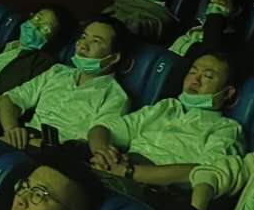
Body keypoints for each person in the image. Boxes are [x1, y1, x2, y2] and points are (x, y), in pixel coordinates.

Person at [87, 51, 245, 189]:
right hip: (118, 168)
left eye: (208, 76)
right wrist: (103, 154)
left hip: (155, 188)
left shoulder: (226, 129)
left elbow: (205, 173)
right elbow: (101, 129)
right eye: (192, 72)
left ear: (228, 93)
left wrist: (129, 172)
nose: (195, 80)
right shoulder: (166, 107)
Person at [0, 16, 131, 148]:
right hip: (24, 139)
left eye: (96, 41)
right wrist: (12, 130)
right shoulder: (57, 72)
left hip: (59, 152)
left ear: (113, 57)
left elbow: (97, 140)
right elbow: (8, 100)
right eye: (83, 37)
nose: (83, 45)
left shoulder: (115, 97)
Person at [169, 0, 245, 62]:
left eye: (221, 3)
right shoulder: (194, 25)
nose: (213, 6)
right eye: (211, 1)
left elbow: (208, 52)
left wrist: (215, 18)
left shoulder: (231, 41)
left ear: (236, 10)